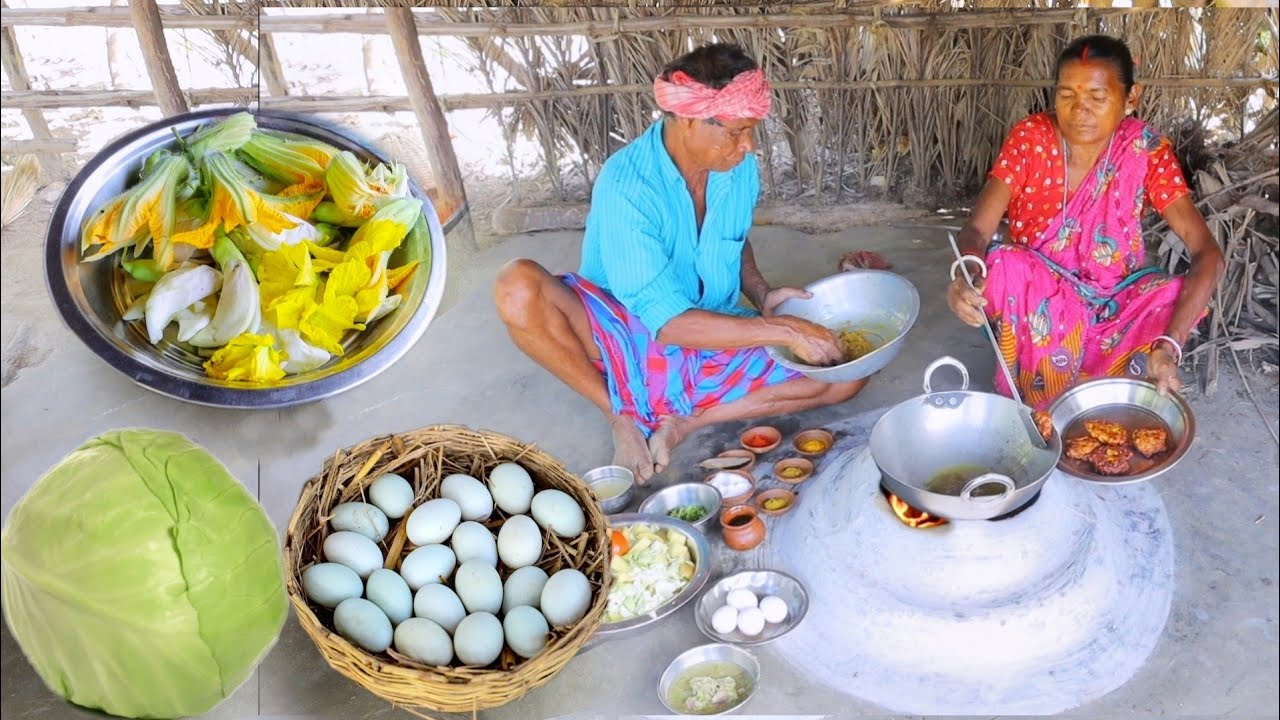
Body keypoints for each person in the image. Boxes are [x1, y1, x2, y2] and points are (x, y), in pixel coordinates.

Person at [494, 43, 865, 483]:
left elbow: (734, 238)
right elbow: (668, 325)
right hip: (626, 333)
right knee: (516, 286)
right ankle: (622, 415)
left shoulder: (737, 167)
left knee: (846, 375)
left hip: (710, 327)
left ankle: (684, 423)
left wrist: (764, 296)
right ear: (688, 120)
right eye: (735, 131)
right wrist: (785, 329)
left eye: (751, 131)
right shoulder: (628, 185)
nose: (747, 146)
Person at [947, 34, 1225, 410]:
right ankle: (1042, 396)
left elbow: (1207, 254)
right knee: (1004, 266)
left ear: (1131, 98)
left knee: (1171, 294)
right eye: (1067, 96)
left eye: (1097, 97)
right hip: (1038, 303)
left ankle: (1128, 371)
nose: (1080, 111)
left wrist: (1170, 342)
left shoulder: (1144, 149)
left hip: (1114, 303)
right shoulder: (1031, 138)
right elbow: (978, 231)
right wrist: (964, 274)